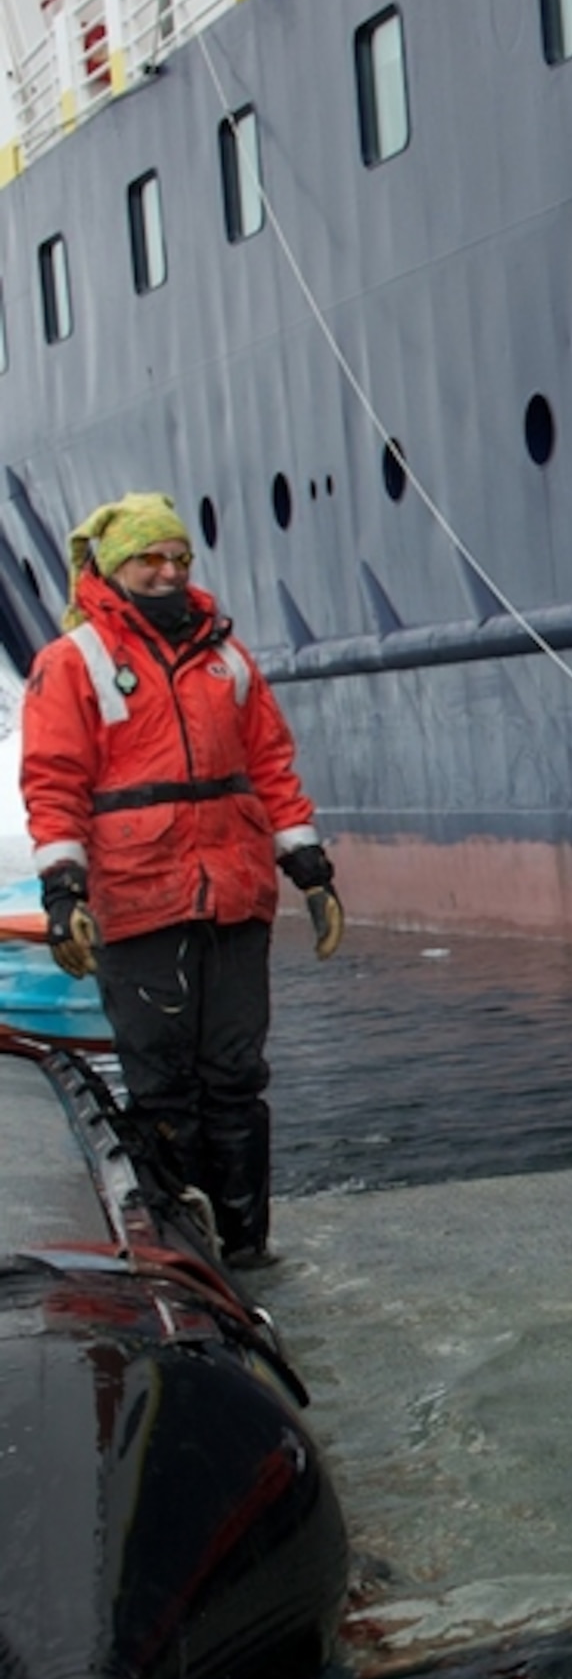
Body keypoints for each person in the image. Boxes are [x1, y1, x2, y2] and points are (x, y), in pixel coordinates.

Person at [19, 493, 345, 1269]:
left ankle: (246, 1248)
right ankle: (183, 1259)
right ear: (111, 566)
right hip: (140, 902)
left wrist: (309, 868)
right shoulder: (73, 662)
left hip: (235, 897)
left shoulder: (227, 658)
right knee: (163, 1087)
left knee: (235, 1076)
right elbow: (54, 782)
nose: (166, 573)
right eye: (148, 559)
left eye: (178, 559)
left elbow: (268, 763)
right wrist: (63, 894)